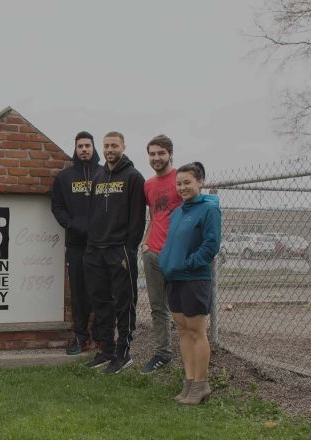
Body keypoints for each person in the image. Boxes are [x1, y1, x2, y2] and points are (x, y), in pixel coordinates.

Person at [159, 162, 221, 404]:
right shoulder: (178, 212)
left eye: (187, 182)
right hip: (174, 278)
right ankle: (189, 382)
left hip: (194, 278)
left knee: (196, 331)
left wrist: (187, 264)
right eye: (179, 183)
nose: (182, 187)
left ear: (200, 182)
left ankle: (201, 385)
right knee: (183, 330)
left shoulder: (209, 210)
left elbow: (210, 246)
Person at [84, 131, 146, 374]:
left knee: (124, 303)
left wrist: (128, 248)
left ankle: (123, 353)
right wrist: (91, 243)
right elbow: (92, 212)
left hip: (119, 250)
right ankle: (106, 349)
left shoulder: (133, 177)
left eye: (114, 145)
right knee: (100, 303)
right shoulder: (98, 175)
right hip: (95, 250)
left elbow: (138, 218)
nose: (110, 149)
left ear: (123, 146)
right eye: (106, 145)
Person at [51, 131, 101, 355]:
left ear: (93, 147)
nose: (84, 149)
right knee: (79, 294)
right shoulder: (64, 177)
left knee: (101, 292)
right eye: (80, 146)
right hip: (77, 245)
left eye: (87, 146)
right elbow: (57, 207)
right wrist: (71, 225)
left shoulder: (104, 174)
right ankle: (81, 337)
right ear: (75, 148)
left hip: (101, 244)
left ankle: (101, 338)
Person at [140, 135, 182, 374]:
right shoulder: (148, 185)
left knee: (182, 308)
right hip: (152, 253)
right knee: (158, 307)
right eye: (152, 154)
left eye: (161, 153)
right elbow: (155, 215)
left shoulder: (181, 179)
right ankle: (163, 353)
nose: (156, 158)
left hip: (176, 254)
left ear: (170, 154)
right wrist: (146, 243)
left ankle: (190, 353)